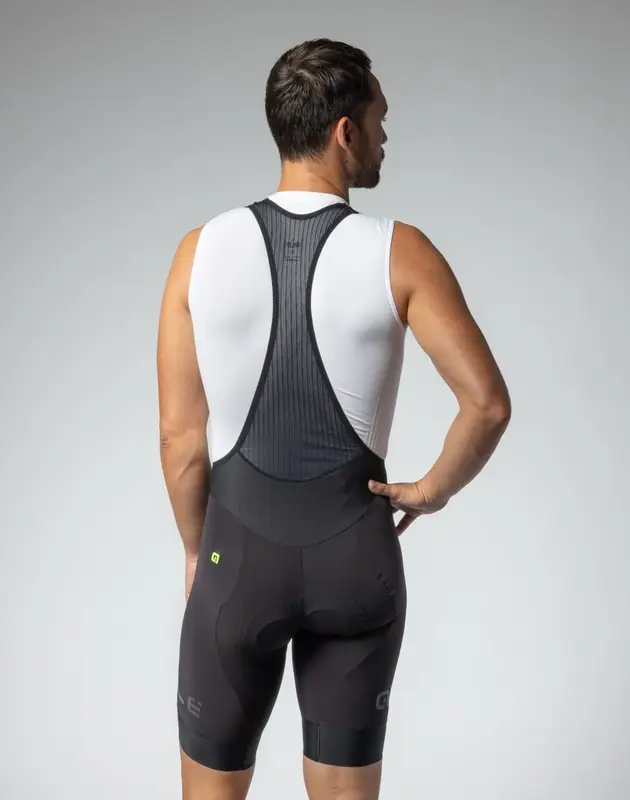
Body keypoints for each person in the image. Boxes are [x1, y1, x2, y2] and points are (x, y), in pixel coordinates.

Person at [157, 37, 511, 800]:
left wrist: (195, 550)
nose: (386, 135)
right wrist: (430, 490)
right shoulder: (402, 252)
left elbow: (180, 441)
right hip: (356, 559)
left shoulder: (198, 252)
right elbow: (486, 405)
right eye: (380, 118)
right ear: (345, 131)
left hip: (235, 565)